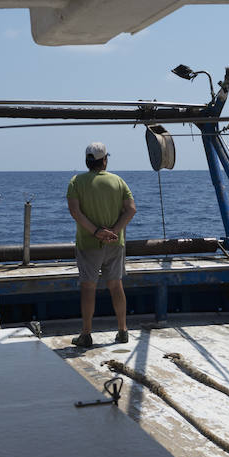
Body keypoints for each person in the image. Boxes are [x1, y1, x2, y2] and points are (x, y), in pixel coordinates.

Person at [66, 141, 136, 347]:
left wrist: (97, 232)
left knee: (88, 288)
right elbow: (131, 209)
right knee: (116, 285)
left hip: (88, 243)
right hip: (115, 243)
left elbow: (75, 212)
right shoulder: (118, 182)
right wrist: (113, 231)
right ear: (104, 160)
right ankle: (123, 330)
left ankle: (86, 334)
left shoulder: (75, 182)